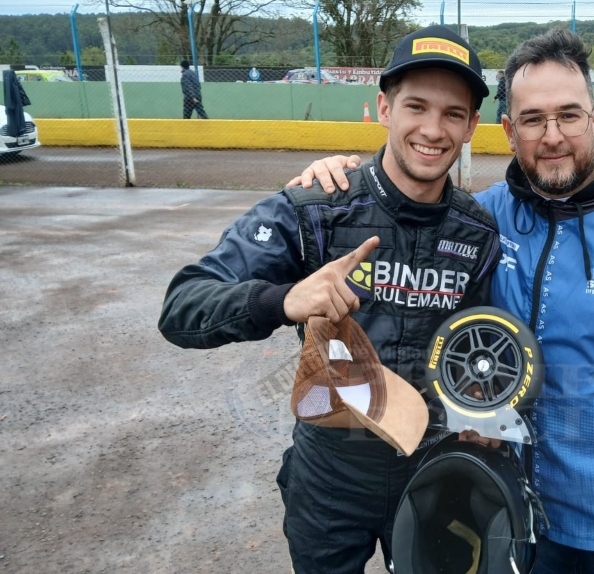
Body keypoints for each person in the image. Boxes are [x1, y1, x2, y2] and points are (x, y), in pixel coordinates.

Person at [292, 29, 594, 574]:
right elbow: (396, 210)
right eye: (532, 120)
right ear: (509, 131)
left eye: (568, 116)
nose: (552, 136)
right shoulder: (477, 222)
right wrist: (338, 178)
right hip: (493, 507)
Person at [158, 25, 502, 574]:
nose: (433, 130)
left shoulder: (478, 232)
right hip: (329, 474)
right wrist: (282, 299)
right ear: (384, 108)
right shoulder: (315, 207)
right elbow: (182, 306)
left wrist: (481, 408)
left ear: (471, 126)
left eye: (452, 114)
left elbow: (479, 349)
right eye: (416, 106)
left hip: (434, 473)